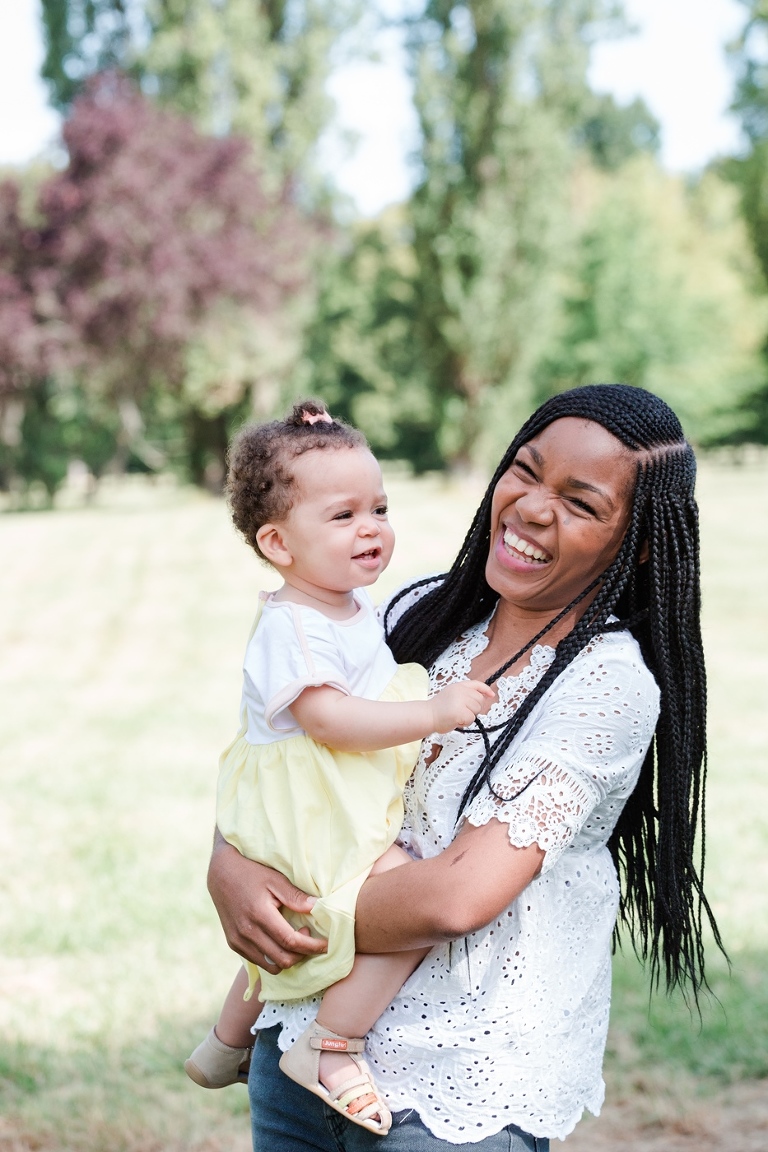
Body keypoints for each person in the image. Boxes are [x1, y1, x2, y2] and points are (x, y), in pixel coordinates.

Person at [207, 383, 725, 1151]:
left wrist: (290, 909)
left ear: (638, 542)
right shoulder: (411, 613)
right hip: (295, 1057)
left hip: (455, 1088)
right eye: (526, 470)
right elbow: (288, 765)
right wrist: (228, 867)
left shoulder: (605, 684)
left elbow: (455, 897)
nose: (532, 508)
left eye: (581, 503)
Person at [185, 400, 493, 1135]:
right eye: (343, 515)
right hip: (312, 807)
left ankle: (226, 1043)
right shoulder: (293, 624)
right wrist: (435, 713)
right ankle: (330, 1046)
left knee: (291, 922)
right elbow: (329, 720)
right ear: (278, 543)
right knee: (411, 909)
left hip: (317, 799)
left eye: (379, 507)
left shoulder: (349, 606)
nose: (372, 528)